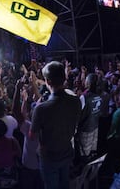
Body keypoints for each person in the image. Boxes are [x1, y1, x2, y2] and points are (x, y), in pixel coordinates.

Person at [29, 61, 82, 189]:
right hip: (67, 152)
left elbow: (32, 136)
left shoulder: (41, 109)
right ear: (64, 79)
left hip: (49, 158)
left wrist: (35, 111)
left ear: (47, 81)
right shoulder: (76, 101)